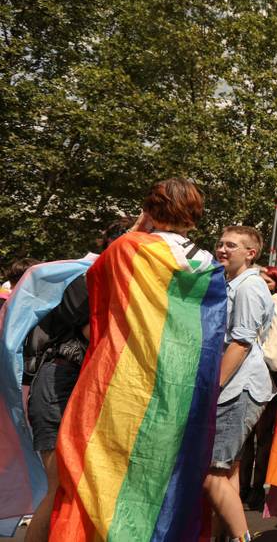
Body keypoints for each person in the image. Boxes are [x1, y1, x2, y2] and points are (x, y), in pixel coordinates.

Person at [51, 178, 228, 540]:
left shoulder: (129, 247)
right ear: (195, 215)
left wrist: (136, 227)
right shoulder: (208, 264)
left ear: (150, 209)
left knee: (101, 471)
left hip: (124, 383)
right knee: (162, 473)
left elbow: (91, 287)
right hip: (181, 391)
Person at [23, 220, 131, 542]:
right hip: (60, 383)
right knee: (60, 486)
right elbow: (92, 332)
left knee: (83, 488)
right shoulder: (86, 281)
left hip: (86, 388)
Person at [204, 225, 275, 541]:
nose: (222, 249)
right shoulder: (233, 283)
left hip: (238, 389)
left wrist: (213, 386)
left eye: (231, 245)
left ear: (250, 253)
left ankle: (241, 536)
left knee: (211, 474)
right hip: (235, 388)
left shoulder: (248, 287)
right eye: (220, 243)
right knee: (226, 471)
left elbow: (241, 342)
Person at [239, 264, 277, 510]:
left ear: (276, 285)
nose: (263, 285)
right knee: (244, 439)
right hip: (244, 375)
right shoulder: (247, 299)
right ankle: (242, 489)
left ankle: (257, 490)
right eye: (259, 280)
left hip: (268, 377)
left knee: (263, 438)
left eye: (268, 281)